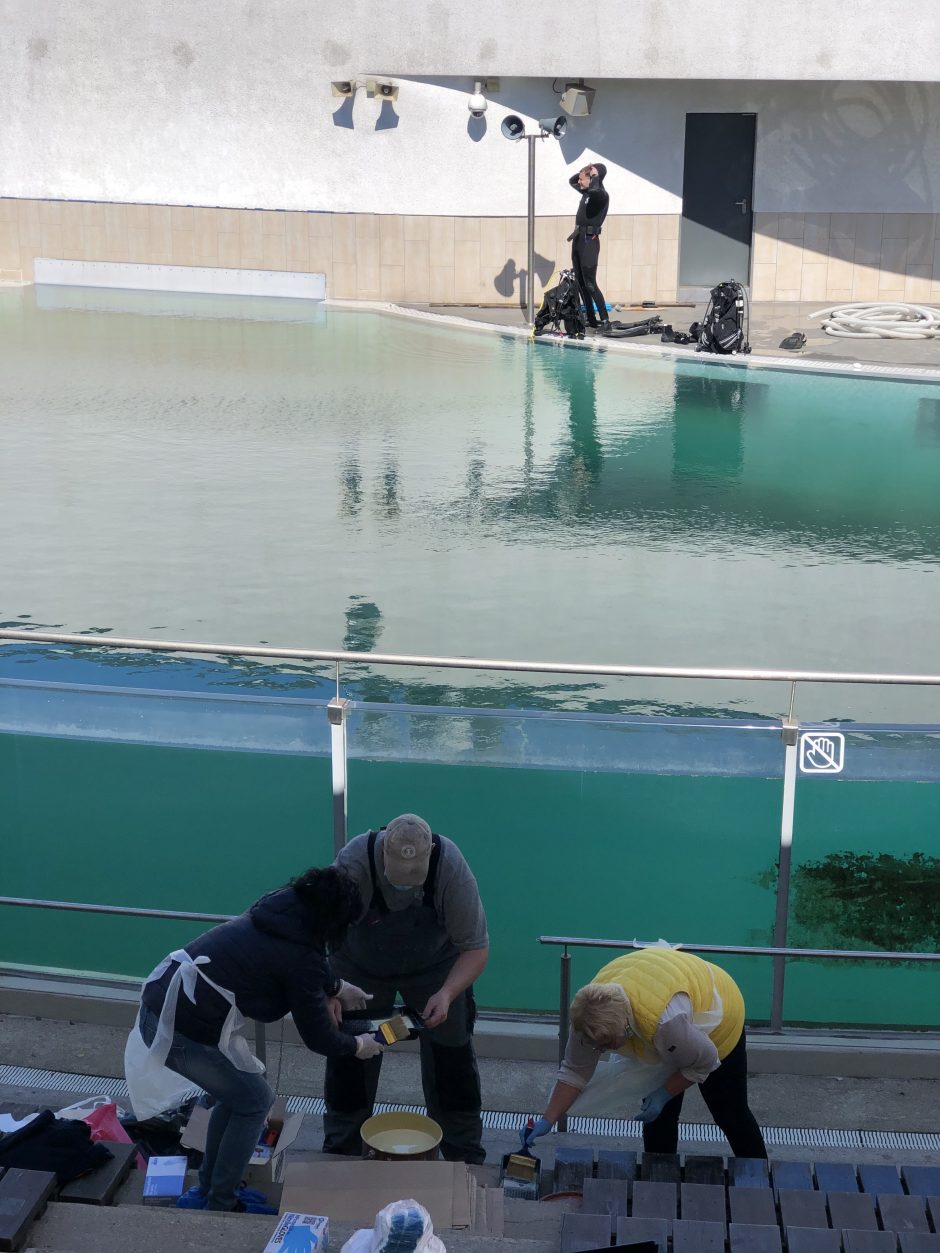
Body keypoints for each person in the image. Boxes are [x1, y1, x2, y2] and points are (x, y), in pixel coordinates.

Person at [126, 866, 382, 1213]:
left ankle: (210, 1190)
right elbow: (319, 1037)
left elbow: (300, 959)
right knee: (254, 1101)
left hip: (168, 1001)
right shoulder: (300, 958)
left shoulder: (279, 910)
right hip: (178, 1027)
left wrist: (336, 987)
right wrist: (358, 1046)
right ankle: (221, 1202)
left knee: (234, 1097)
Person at [323, 813, 489, 1163]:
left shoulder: (451, 868)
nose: (406, 888)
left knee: (452, 1057)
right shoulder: (353, 864)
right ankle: (342, 1150)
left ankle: (464, 1153)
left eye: (415, 881)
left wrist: (447, 993)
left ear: (430, 852)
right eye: (397, 879)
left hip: (435, 969)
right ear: (383, 851)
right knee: (351, 1053)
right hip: (358, 968)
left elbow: (475, 948)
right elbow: (315, 932)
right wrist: (330, 990)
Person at [521, 946, 767, 1158]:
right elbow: (575, 1071)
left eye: (606, 1045)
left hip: (719, 1013)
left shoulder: (665, 1023)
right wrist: (548, 1119)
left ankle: (759, 1180)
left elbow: (706, 1060)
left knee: (730, 1113)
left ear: (625, 1027)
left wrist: (664, 1092)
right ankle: (658, 1184)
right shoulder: (588, 1014)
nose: (600, 1051)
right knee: (658, 1118)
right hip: (665, 1010)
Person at [568, 162, 610, 331]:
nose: (579, 182)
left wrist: (595, 174)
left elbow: (594, 189)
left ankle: (605, 321)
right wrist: (584, 172)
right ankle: (591, 318)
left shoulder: (601, 195)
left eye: (582, 179)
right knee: (580, 282)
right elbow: (571, 181)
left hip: (589, 241)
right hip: (578, 239)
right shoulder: (586, 193)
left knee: (590, 283)